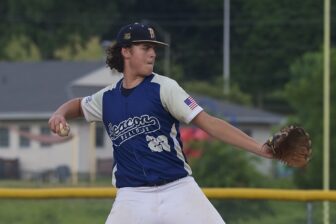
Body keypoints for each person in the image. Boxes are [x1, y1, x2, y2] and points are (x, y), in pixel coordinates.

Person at [49, 22, 273, 224]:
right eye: (145, 48)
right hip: (131, 196)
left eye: (154, 49)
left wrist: (261, 149)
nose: (152, 54)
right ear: (126, 51)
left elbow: (210, 123)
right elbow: (78, 105)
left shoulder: (164, 87)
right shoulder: (106, 99)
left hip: (177, 189)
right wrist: (59, 114)